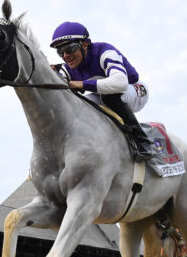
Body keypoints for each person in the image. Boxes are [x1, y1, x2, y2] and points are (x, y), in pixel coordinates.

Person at [49, 21, 155, 162]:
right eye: (60, 52)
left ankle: (143, 143)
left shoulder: (104, 51)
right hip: (106, 95)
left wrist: (83, 84)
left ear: (85, 44)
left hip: (135, 90)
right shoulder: (68, 67)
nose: (65, 56)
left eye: (69, 48)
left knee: (109, 97)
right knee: (80, 107)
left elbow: (120, 83)